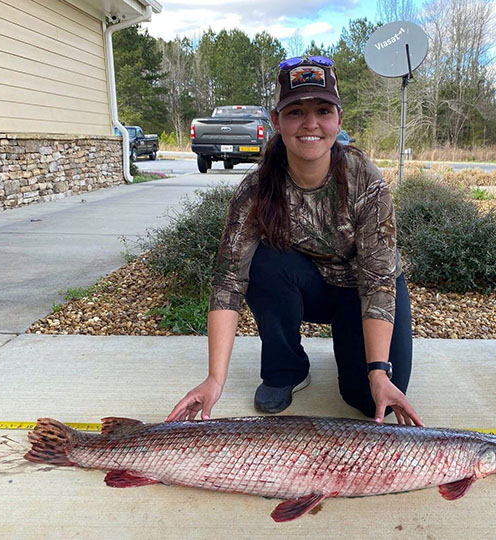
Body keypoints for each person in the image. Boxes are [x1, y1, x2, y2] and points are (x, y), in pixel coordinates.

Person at [167, 56, 422, 426]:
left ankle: (355, 347)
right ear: (276, 121)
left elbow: (379, 280)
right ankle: (286, 370)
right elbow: (228, 282)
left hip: (364, 290)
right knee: (262, 262)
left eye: (322, 110)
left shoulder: (363, 178)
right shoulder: (255, 188)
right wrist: (214, 380)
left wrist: (379, 372)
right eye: (295, 112)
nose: (311, 124)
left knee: (369, 400)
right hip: (310, 286)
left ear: (339, 118)